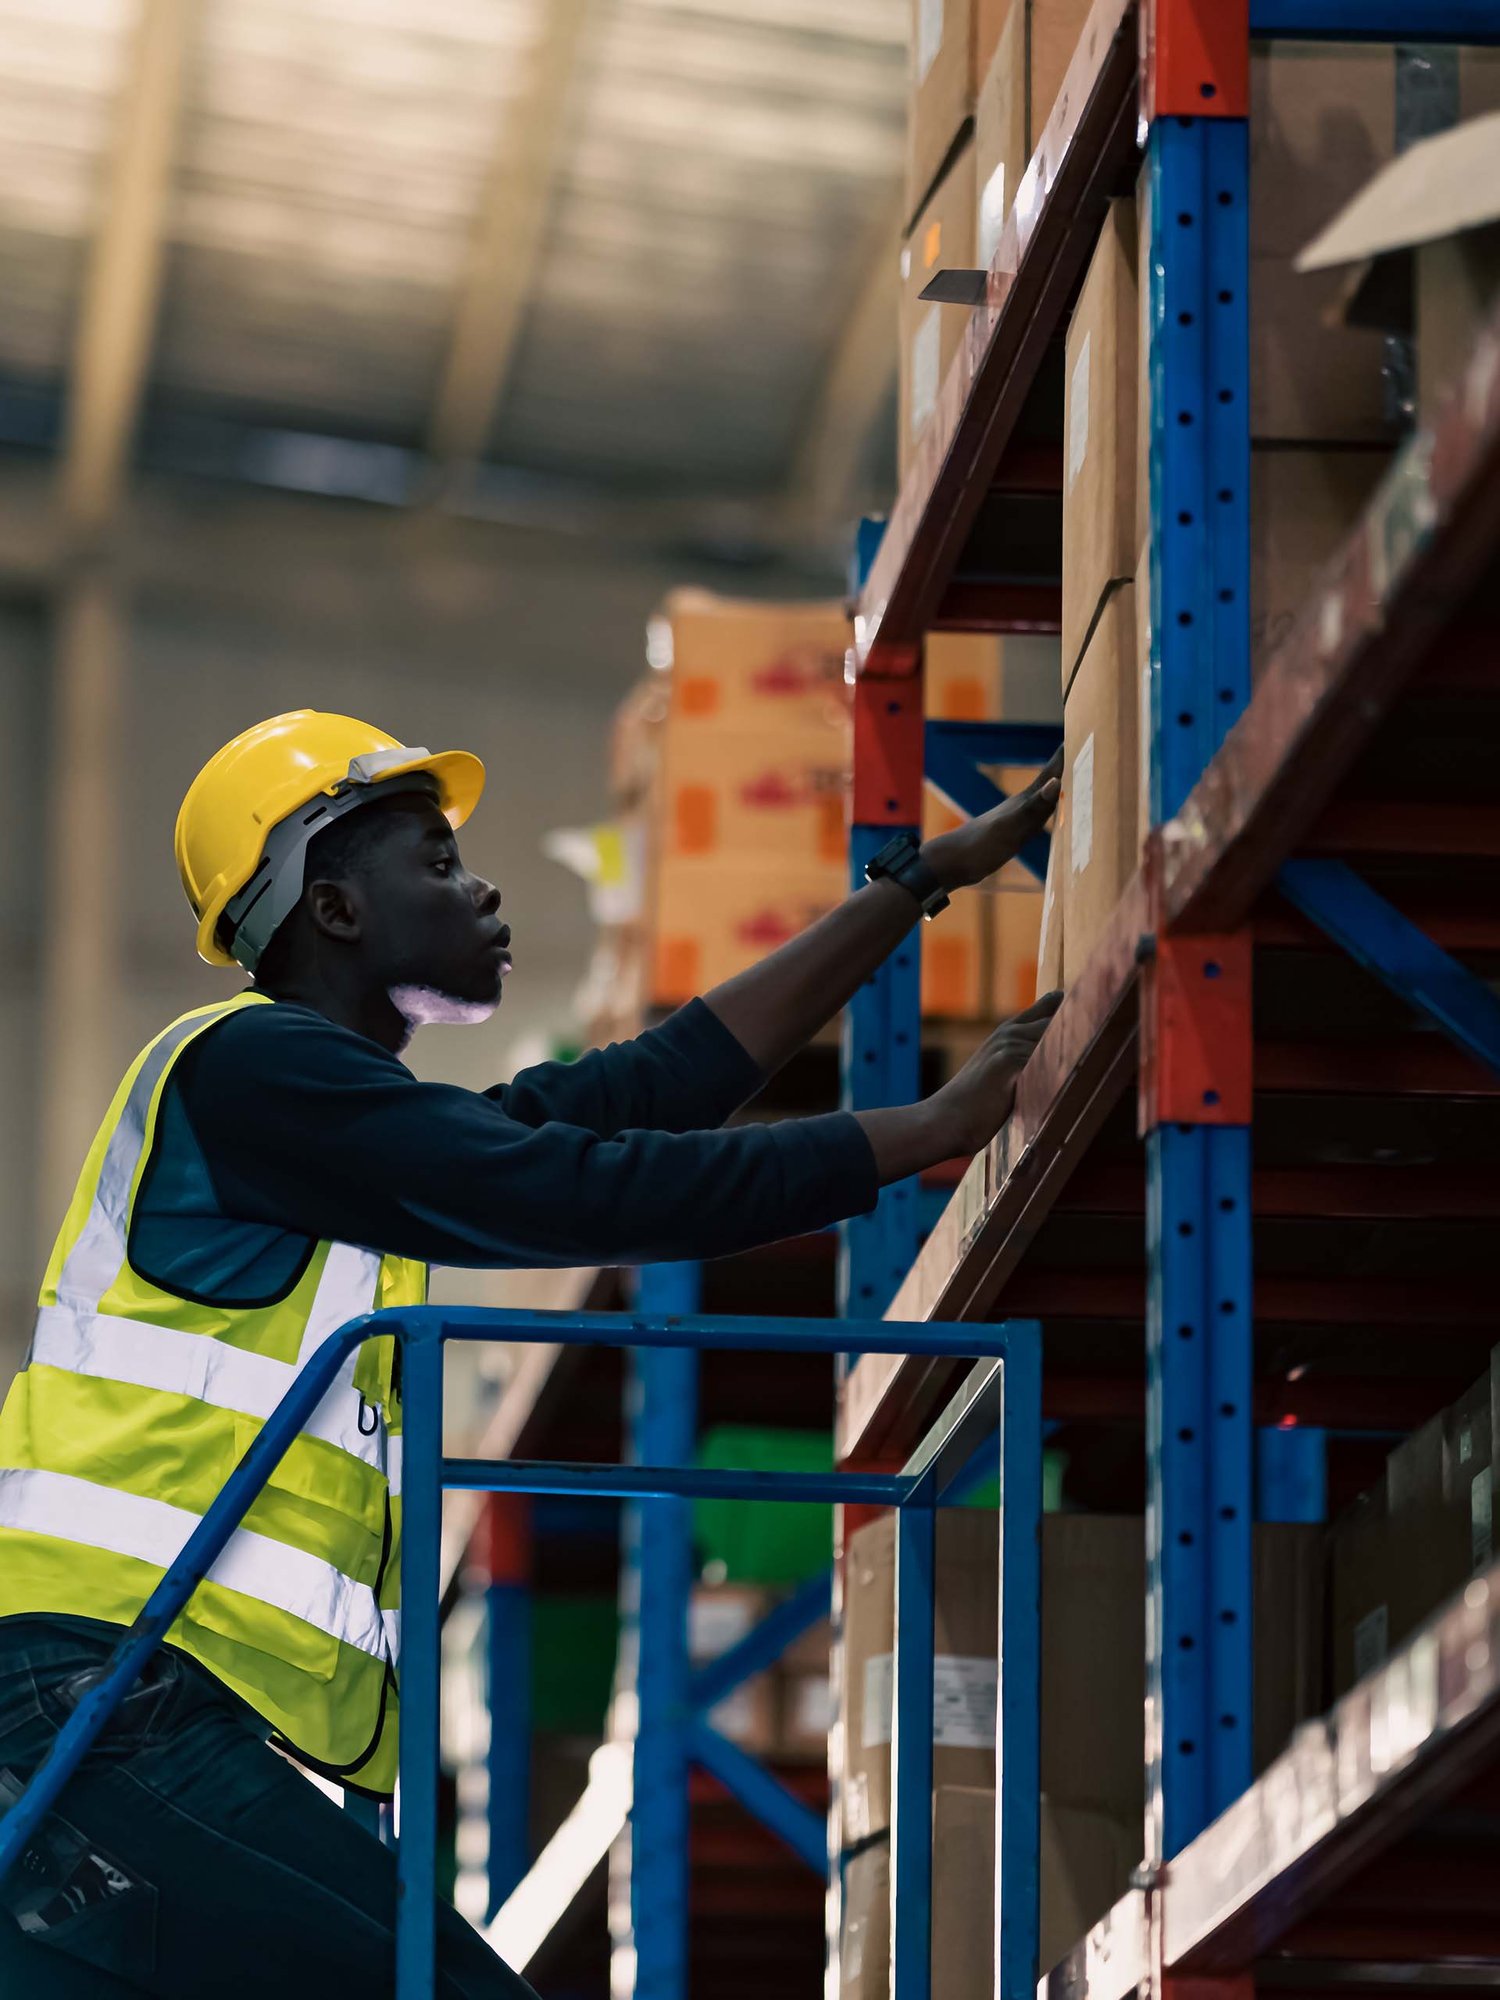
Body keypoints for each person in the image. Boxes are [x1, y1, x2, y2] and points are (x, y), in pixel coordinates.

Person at [0, 710, 1061, 1996]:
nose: (481, 886)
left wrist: (909, 889)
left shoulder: (327, 1128)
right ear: (333, 909)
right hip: (107, 1703)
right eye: (439, 864)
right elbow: (571, 1183)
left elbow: (634, 1090)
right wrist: (924, 1128)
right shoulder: (252, 1070)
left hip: (115, 1714)